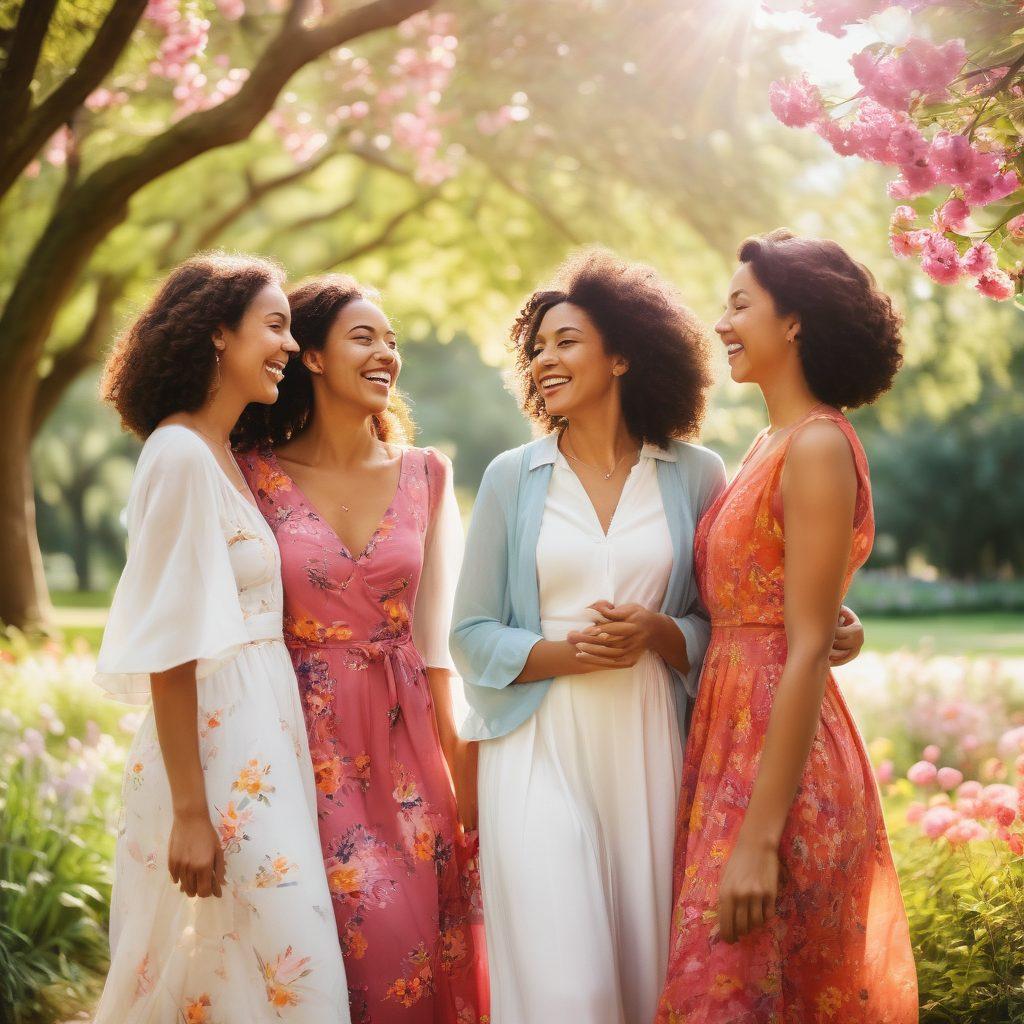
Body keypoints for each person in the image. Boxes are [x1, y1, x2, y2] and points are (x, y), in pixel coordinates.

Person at [450, 249, 865, 1023]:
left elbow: (737, 614)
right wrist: (566, 654)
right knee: (563, 992)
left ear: (622, 354)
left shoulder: (698, 474)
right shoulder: (514, 477)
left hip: (658, 754)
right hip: (537, 744)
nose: (544, 359)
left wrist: (663, 634)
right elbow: (469, 635)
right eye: (536, 348)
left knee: (651, 987)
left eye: (565, 341)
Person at [657, 229, 918, 1022]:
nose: (721, 323)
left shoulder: (816, 447)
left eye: (739, 305)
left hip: (781, 763)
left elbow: (804, 645)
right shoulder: (768, 443)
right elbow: (785, 602)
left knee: (741, 990)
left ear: (795, 321)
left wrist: (760, 839)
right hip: (729, 740)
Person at [93, 254, 350, 1023]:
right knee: (286, 970)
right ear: (215, 335)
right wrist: (191, 813)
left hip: (261, 738)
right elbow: (170, 647)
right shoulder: (177, 456)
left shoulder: (225, 457)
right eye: (273, 326)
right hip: (213, 751)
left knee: (241, 970)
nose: (286, 345)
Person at [233, 274, 487, 1023]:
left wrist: (462, 772)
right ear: (309, 355)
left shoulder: (425, 474)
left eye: (393, 342)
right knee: (338, 951)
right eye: (364, 337)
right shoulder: (250, 475)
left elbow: (440, 640)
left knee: (416, 952)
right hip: (298, 741)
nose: (387, 354)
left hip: (408, 746)